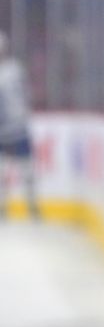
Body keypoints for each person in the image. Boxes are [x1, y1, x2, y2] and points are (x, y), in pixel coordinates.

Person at [0, 32, 39, 220]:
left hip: (16, 128)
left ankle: (31, 206)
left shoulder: (14, 70)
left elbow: (25, 95)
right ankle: (5, 208)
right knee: (5, 171)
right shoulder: (16, 69)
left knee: (27, 170)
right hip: (8, 129)